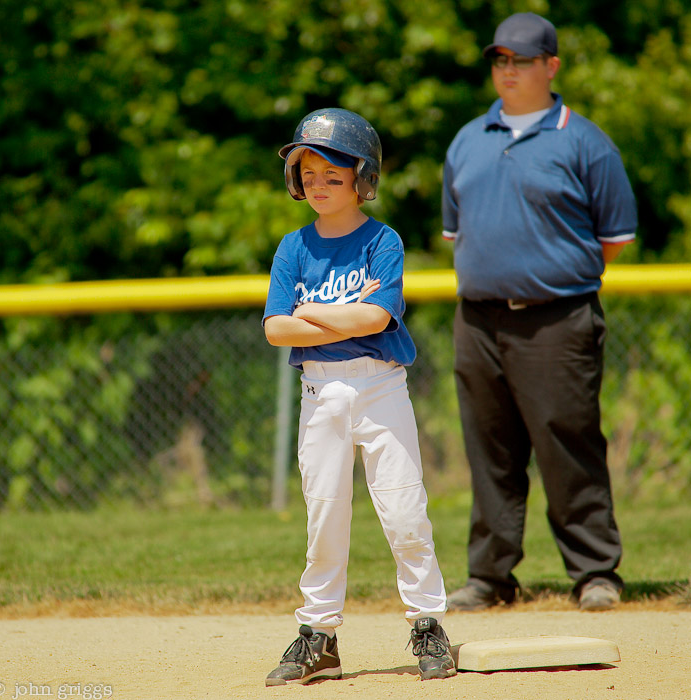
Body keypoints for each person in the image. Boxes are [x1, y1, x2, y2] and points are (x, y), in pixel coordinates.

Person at [441, 13, 637, 612]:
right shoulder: (469, 138)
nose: (509, 70)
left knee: (566, 444)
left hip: (556, 318)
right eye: (500, 60)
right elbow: (456, 232)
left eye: (522, 60)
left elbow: (615, 237)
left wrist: (552, 274)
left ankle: (594, 571)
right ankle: (490, 576)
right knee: (490, 449)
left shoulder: (584, 140)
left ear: (551, 66)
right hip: (478, 320)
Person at [263, 108, 457, 685]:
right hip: (320, 394)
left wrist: (313, 312)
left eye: (334, 175)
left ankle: (427, 624)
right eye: (309, 173)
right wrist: (344, 318)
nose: (319, 184)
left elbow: (378, 316)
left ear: (362, 179)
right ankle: (318, 634)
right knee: (324, 519)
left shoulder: (383, 240)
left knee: (403, 513)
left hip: (380, 388)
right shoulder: (293, 247)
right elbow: (276, 328)